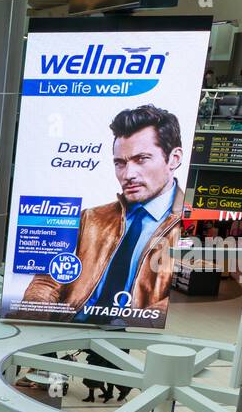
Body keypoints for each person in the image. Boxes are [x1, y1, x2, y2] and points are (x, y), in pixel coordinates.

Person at [21, 105, 185, 326]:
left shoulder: (190, 225)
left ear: (174, 159)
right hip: (67, 328)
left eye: (142, 159)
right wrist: (31, 320)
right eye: (120, 163)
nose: (128, 175)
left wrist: (129, 324)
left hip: (129, 336)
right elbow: (48, 281)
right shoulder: (91, 218)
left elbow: (183, 298)